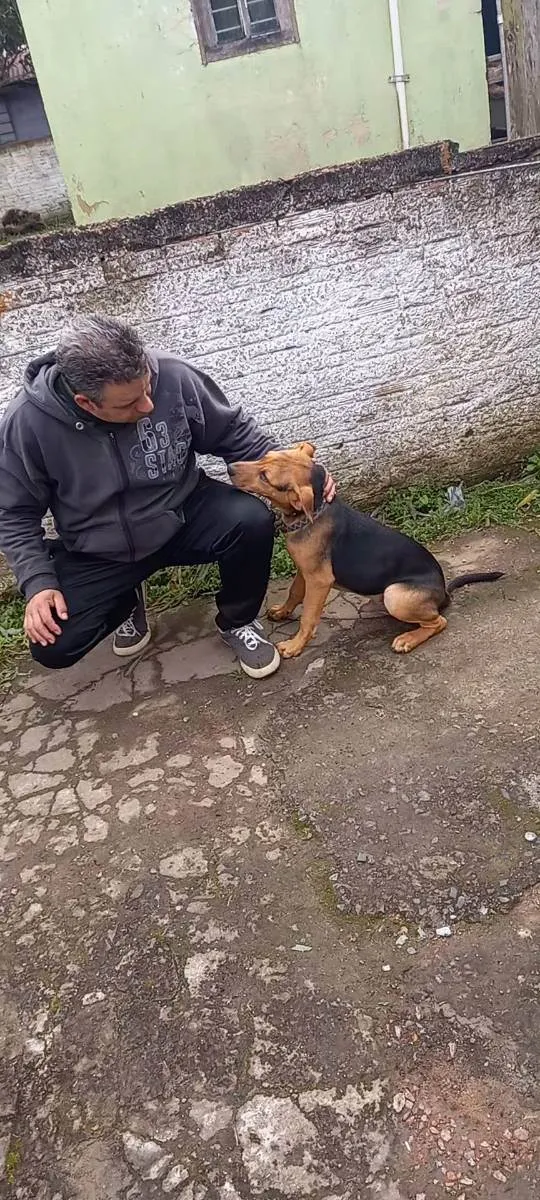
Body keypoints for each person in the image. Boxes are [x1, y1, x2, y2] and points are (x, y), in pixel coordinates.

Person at [0, 315, 334, 679]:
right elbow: (13, 514)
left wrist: (302, 471)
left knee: (250, 520)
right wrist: (37, 582)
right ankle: (126, 597)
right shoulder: (28, 424)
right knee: (53, 643)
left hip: (181, 512)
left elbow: (235, 434)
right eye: (129, 403)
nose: (147, 406)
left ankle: (237, 621)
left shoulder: (172, 375)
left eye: (148, 387)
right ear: (86, 402)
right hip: (100, 547)